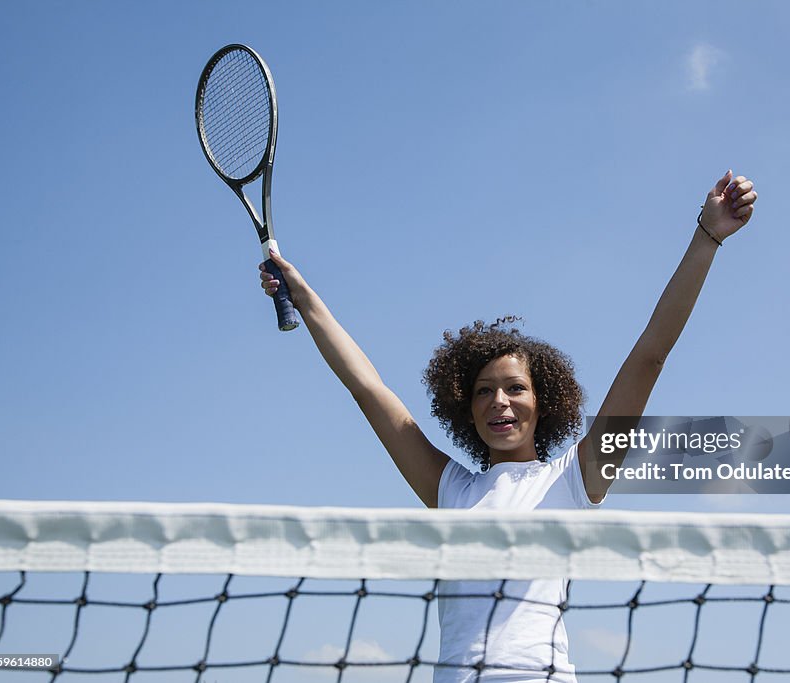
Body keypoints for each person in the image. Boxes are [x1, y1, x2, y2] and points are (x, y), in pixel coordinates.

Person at [259, 170, 757, 682]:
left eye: (516, 388)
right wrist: (304, 298)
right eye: (483, 391)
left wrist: (707, 236)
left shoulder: (576, 478)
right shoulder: (450, 488)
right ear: (465, 409)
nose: (500, 402)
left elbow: (650, 354)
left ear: (544, 403)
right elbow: (369, 391)